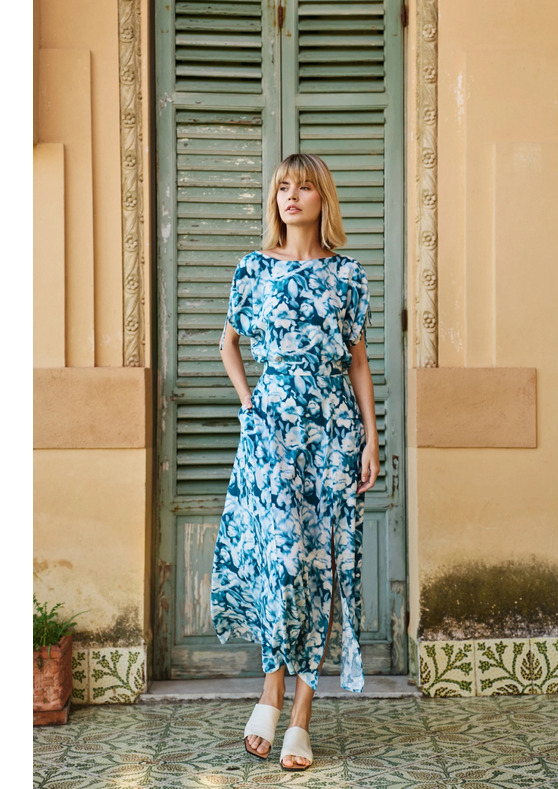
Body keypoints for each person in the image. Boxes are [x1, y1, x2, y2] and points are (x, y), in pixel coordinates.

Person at [210, 153, 380, 771]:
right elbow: (229, 344)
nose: (292, 196)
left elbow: (357, 362)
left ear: (322, 199)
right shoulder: (254, 268)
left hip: (333, 433)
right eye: (284, 187)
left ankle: (301, 716)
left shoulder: (348, 274)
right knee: (281, 561)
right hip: (273, 432)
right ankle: (271, 691)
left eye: (305, 187)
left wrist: (371, 439)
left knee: (323, 565)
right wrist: (250, 406)